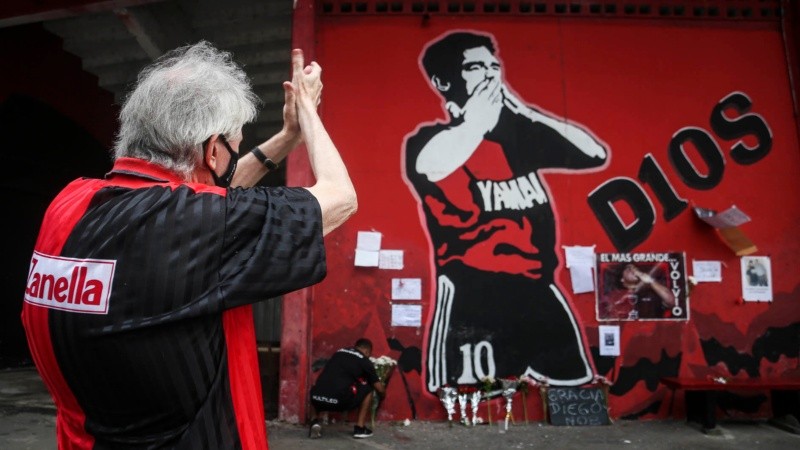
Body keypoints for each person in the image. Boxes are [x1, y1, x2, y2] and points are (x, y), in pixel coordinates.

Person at [21, 41, 356, 449]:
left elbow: (206, 199)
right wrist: (307, 110)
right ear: (213, 150)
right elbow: (340, 199)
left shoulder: (69, 203)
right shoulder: (190, 222)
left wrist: (287, 138)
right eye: (232, 146)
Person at [403, 31, 606, 392]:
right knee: (475, 403)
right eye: (475, 67)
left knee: (572, 388)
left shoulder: (519, 137)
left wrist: (524, 112)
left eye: (494, 66)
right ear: (443, 81)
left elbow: (594, 154)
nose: (490, 74)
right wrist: (477, 121)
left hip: (540, 290)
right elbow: (431, 166)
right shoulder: (430, 140)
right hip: (473, 295)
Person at [308, 338, 386, 439]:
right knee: (368, 389)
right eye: (369, 354)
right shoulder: (364, 361)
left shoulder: (338, 353)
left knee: (319, 388)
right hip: (338, 402)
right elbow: (379, 389)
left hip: (317, 399)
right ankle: (360, 428)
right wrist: (383, 396)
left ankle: (314, 422)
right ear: (367, 351)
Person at [599, 263, 676, 320]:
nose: (634, 270)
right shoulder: (614, 296)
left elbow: (671, 301)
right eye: (629, 269)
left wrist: (650, 281)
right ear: (622, 279)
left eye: (636, 269)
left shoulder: (652, 293)